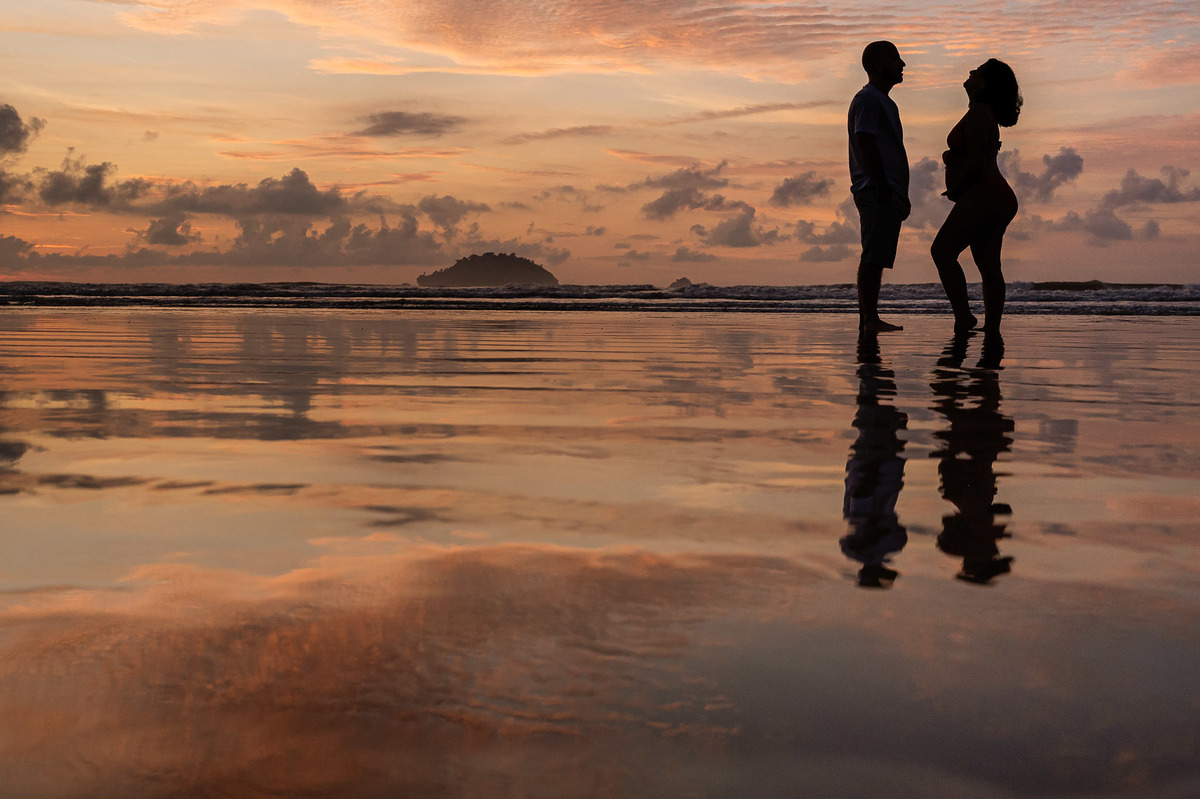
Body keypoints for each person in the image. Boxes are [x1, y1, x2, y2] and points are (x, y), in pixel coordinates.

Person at [931, 59, 1023, 334]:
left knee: (942, 251)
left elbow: (977, 161)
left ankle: (964, 317)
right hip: (992, 194)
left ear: (985, 83)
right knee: (988, 265)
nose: (971, 72)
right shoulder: (980, 113)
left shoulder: (980, 113)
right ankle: (991, 329)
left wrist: (956, 189)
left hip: (985, 192)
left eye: (977, 71)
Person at [848, 40, 911, 333]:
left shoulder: (885, 102)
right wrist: (881, 186)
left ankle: (868, 318)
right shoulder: (867, 99)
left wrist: (900, 194)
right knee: (873, 255)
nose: (902, 64)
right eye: (895, 58)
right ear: (877, 64)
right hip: (876, 189)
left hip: (886, 189)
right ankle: (869, 319)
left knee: (878, 254)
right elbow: (865, 143)